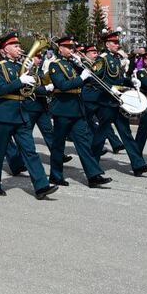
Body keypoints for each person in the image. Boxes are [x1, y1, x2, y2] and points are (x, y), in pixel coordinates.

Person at [0, 32, 59, 199]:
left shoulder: (20, 66)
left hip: (21, 113)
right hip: (5, 115)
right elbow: (0, 90)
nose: (20, 49)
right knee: (0, 152)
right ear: (6, 49)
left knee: (30, 151)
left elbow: (27, 90)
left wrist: (32, 82)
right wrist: (21, 81)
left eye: (19, 46)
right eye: (16, 46)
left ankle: (41, 186)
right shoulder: (0, 67)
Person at [46, 36, 109, 187]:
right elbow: (62, 85)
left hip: (77, 108)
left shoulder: (73, 64)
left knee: (84, 143)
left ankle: (93, 175)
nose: (71, 50)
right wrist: (81, 77)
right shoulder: (54, 65)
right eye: (68, 47)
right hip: (62, 108)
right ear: (60, 48)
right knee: (58, 144)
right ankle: (55, 175)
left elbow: (91, 78)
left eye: (72, 47)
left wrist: (83, 67)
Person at [89, 30, 147, 177]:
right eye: (114, 42)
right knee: (101, 135)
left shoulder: (117, 59)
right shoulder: (102, 59)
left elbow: (119, 79)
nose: (117, 44)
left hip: (118, 101)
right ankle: (92, 165)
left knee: (126, 134)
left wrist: (131, 81)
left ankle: (138, 165)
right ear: (107, 44)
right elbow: (93, 79)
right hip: (106, 102)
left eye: (118, 42)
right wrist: (109, 87)